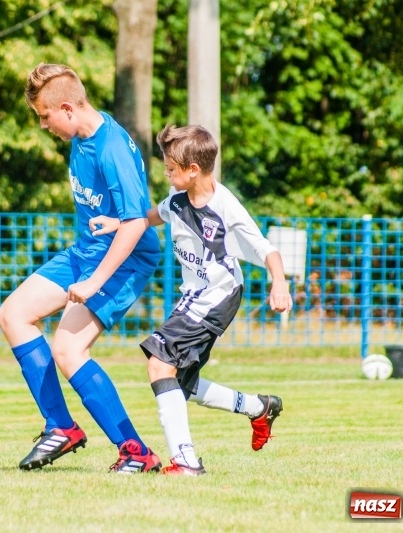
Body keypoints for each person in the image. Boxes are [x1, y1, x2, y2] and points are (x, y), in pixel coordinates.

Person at [90, 124, 293, 476]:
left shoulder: (225, 207)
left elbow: (267, 250)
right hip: (194, 298)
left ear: (193, 170)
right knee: (181, 383)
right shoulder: (178, 200)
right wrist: (117, 222)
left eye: (171, 169)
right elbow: (155, 215)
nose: (167, 175)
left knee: (158, 363)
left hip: (217, 297)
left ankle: (185, 462)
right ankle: (259, 407)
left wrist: (280, 284)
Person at [0, 63, 163, 473]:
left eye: (44, 117)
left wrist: (93, 282)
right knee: (13, 315)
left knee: (68, 349)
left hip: (122, 260)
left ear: (67, 108)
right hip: (86, 251)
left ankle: (137, 453)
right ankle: (61, 427)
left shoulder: (112, 149)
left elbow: (137, 221)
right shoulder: (82, 136)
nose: (42, 125)